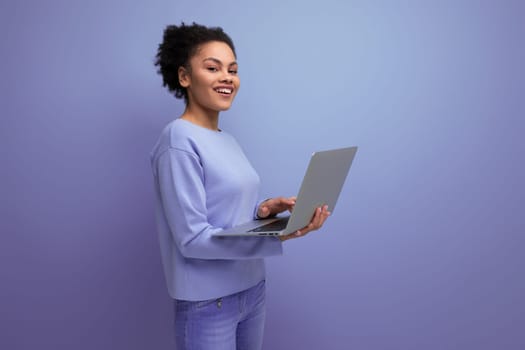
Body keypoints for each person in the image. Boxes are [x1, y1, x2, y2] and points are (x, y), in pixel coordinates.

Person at [150, 22, 330, 350]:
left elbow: (226, 212)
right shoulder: (177, 139)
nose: (227, 77)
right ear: (184, 77)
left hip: (252, 291)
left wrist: (263, 210)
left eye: (232, 69)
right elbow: (192, 239)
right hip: (209, 303)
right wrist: (277, 235)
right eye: (212, 67)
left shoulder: (228, 140)